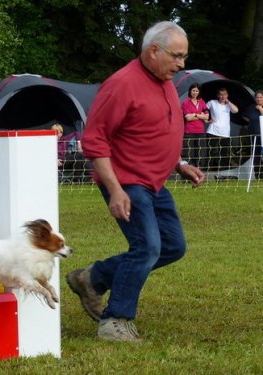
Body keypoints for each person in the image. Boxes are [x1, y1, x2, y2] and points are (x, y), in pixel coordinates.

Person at [65, 21, 205, 342]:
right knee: (146, 247)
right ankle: (115, 321)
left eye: (184, 57)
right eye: (177, 56)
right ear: (154, 51)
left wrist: (179, 163)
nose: (182, 64)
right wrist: (114, 189)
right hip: (125, 181)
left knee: (172, 246)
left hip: (155, 182)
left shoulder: (164, 79)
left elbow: (158, 130)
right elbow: (95, 141)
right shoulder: (121, 85)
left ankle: (93, 278)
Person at [205, 88, 238, 174]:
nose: (223, 96)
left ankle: (222, 173)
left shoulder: (228, 105)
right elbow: (203, 109)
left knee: (224, 153)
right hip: (212, 131)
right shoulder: (212, 102)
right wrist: (206, 120)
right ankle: (209, 172)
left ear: (227, 95)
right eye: (221, 94)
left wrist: (228, 102)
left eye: (225, 94)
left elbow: (235, 110)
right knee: (211, 152)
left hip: (225, 133)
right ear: (218, 95)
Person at [181, 83, 209, 168]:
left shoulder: (202, 102)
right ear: (190, 91)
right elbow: (188, 118)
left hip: (200, 131)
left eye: (197, 90)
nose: (195, 92)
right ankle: (188, 172)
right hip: (189, 131)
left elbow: (206, 118)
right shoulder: (186, 103)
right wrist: (200, 115)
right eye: (193, 90)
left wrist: (195, 115)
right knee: (189, 152)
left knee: (200, 152)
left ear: (199, 92)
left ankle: (199, 170)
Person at [242, 90, 263, 179]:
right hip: (254, 135)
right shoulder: (250, 108)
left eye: (261, 97)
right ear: (255, 99)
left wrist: (261, 110)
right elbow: (244, 116)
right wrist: (251, 122)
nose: (259, 99)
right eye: (257, 97)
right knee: (256, 156)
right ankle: (258, 175)